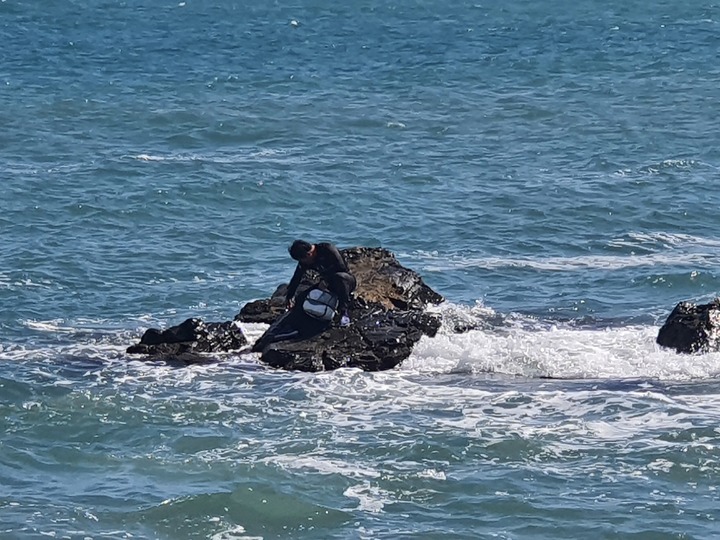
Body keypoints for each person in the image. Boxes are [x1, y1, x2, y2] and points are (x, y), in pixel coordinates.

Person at [285, 239, 357, 326]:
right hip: (328, 286)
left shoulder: (327, 249)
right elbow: (296, 278)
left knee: (339, 277)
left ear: (309, 254)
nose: (303, 263)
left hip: (346, 282)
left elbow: (342, 268)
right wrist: (289, 297)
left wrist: (325, 281)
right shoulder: (305, 261)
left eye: (303, 260)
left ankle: (344, 312)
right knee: (300, 299)